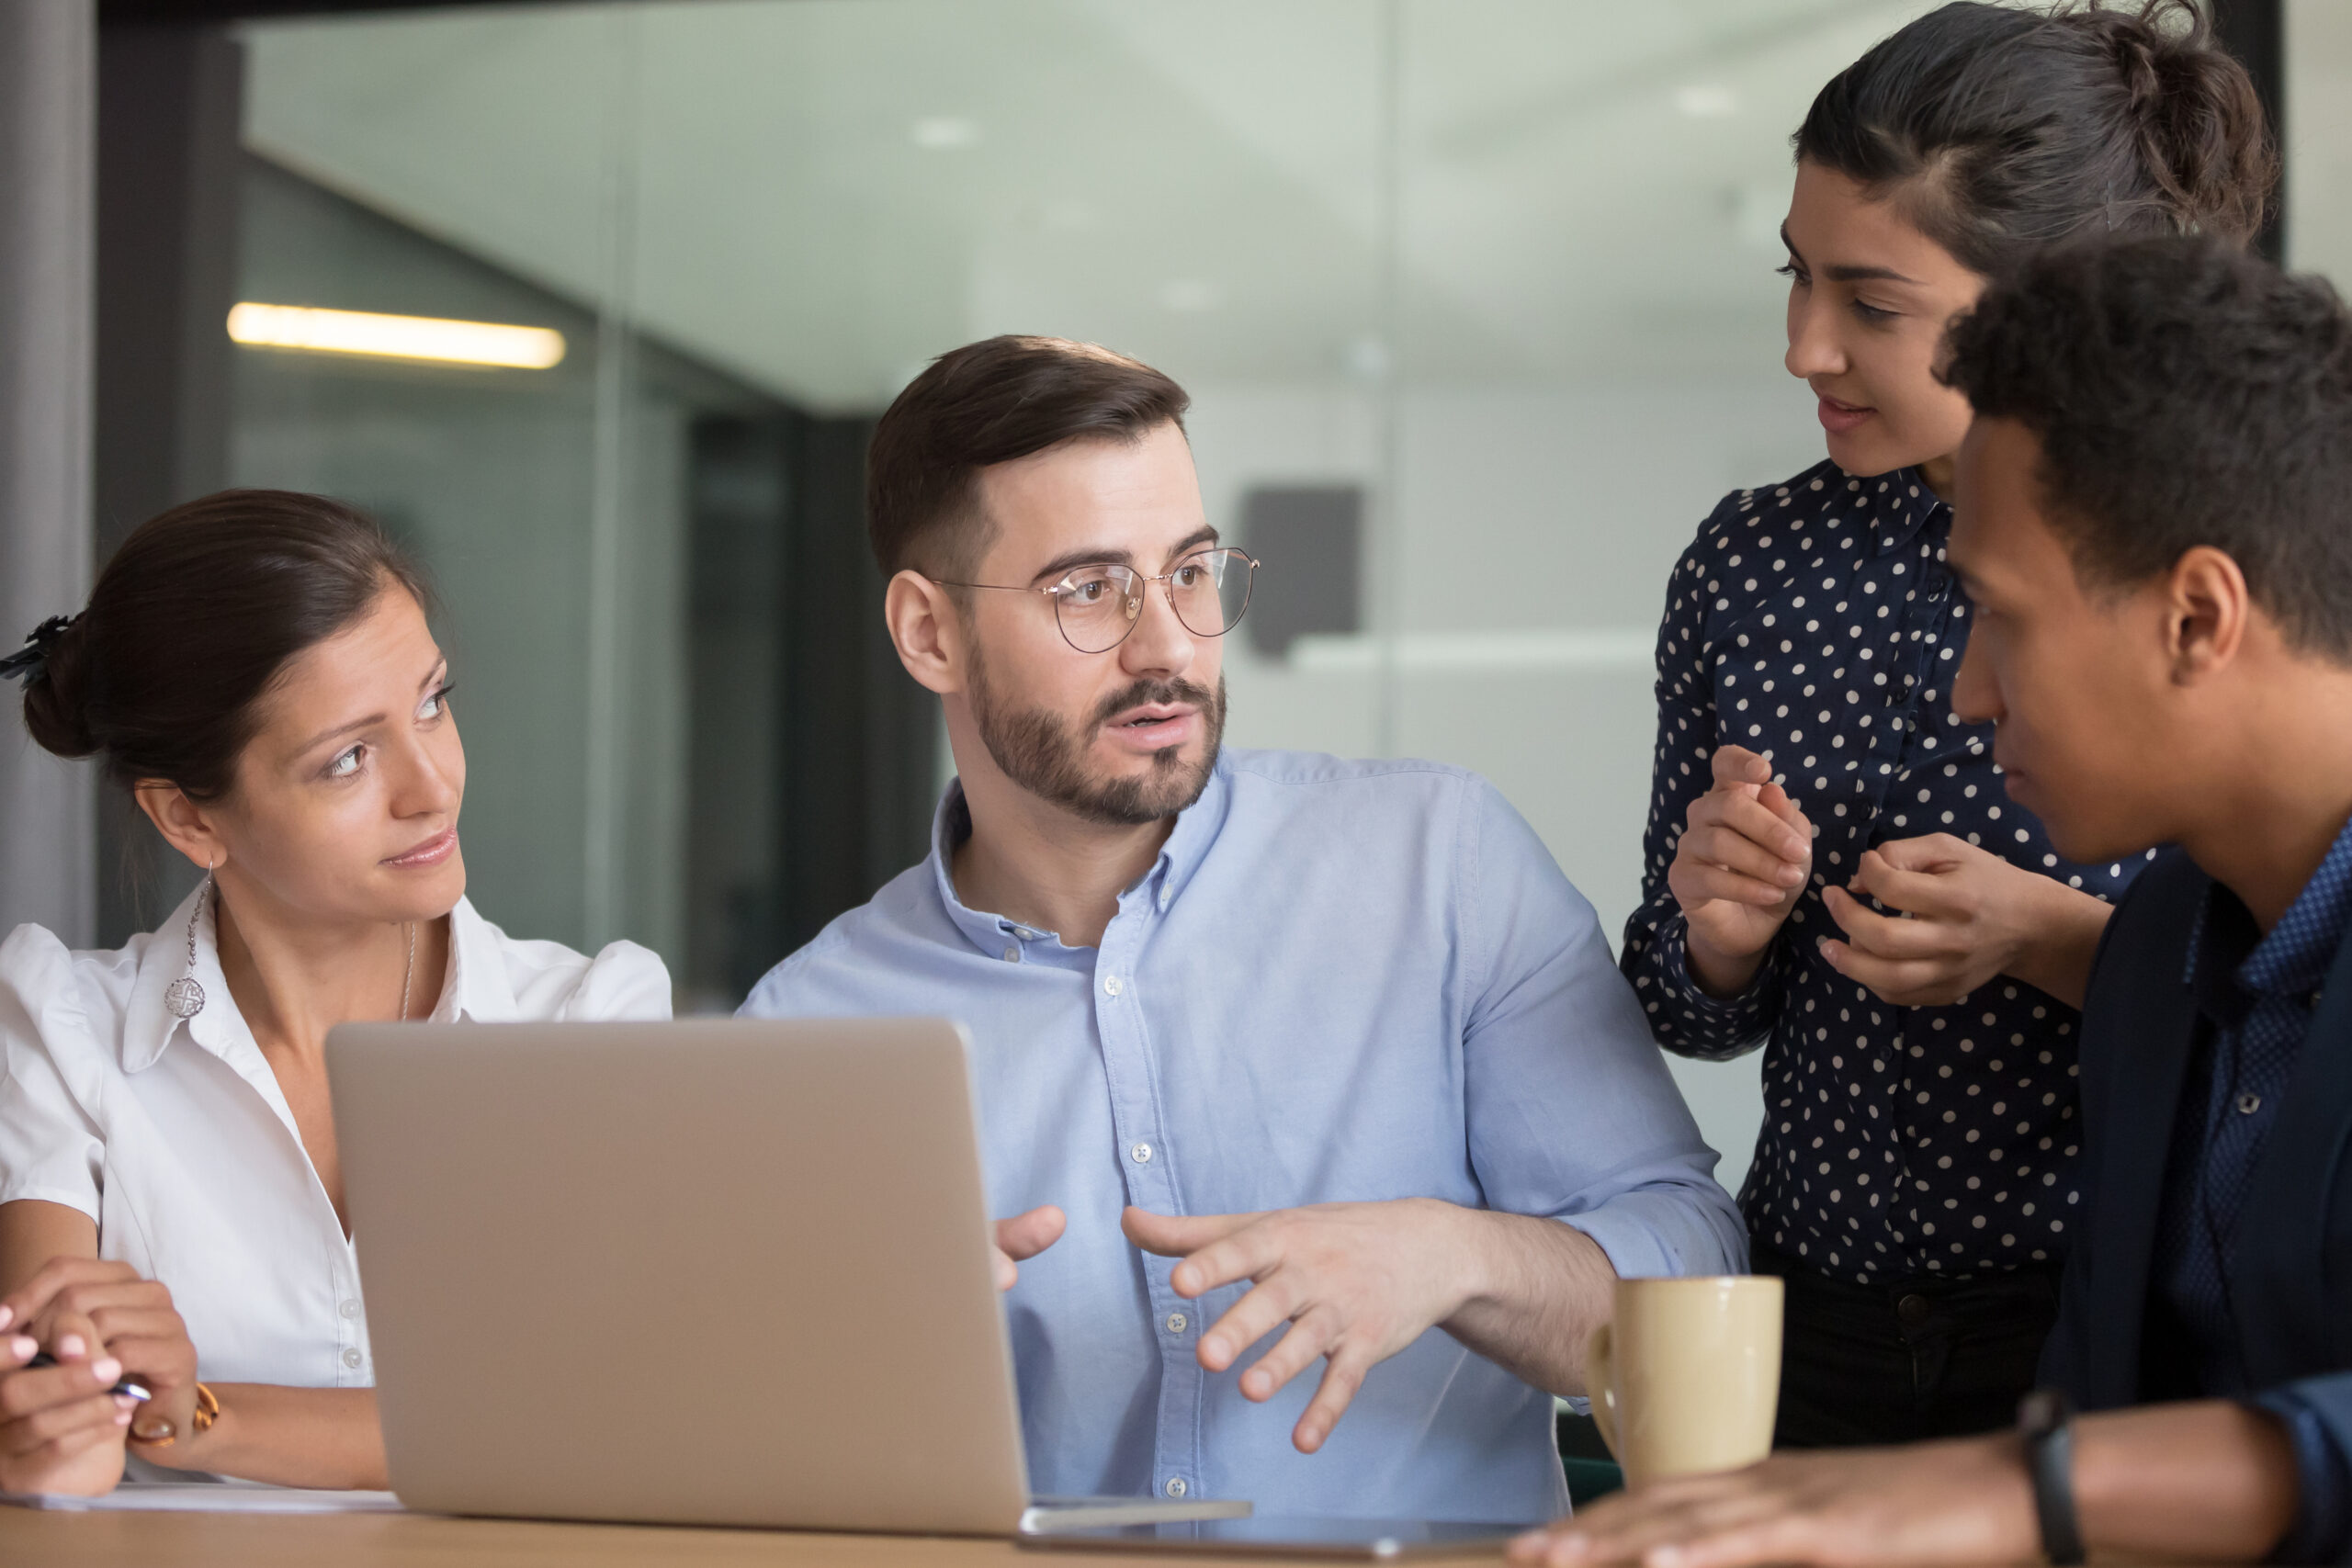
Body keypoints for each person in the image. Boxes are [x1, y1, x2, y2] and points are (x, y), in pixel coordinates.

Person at [739, 333, 1743, 1522]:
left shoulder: (1442, 861)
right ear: (928, 633)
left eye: (1192, 571)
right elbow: (747, 1465)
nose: (1168, 645)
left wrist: (1451, 1255)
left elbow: (1701, 1275)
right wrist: (843, 1358)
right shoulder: (806, 1031)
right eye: (1089, 590)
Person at [1514, 234, 2352, 1568]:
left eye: (1997, 614)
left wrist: (2027, 1490)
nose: (1968, 690)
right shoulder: (2155, 965)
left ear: (2197, 616)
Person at [1620, 0, 2273, 1447]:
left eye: (1871, 301)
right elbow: (1673, 998)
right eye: (1794, 277)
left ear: (2055, 300)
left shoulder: (2215, 573)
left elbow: (2295, 1015)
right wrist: (1719, 931)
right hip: (1801, 1313)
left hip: (2103, 1310)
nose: (1803, 346)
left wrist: (2048, 939)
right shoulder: (1750, 563)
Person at [0, 491, 672, 1496]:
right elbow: (65, 1426)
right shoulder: (61, 1027)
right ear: (189, 818)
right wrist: (66, 1429)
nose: (431, 785)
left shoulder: (588, 1020)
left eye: (432, 703)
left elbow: (593, 1422)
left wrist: (198, 1418)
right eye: (349, 757)